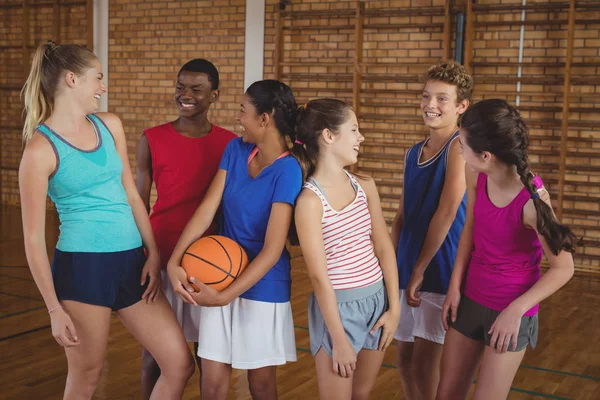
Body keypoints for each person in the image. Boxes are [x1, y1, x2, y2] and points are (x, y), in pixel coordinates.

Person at [19, 41, 193, 399]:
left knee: (179, 364)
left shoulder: (109, 125)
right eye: (97, 78)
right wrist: (53, 308)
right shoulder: (39, 151)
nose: (103, 86)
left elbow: (131, 194)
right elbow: (33, 240)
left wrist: (154, 253)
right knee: (86, 378)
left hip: (132, 263)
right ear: (71, 80)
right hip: (82, 271)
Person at [167, 80, 302, 400]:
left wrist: (224, 297)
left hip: (263, 285)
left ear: (265, 119)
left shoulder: (289, 169)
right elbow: (206, 210)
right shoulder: (236, 150)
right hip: (217, 275)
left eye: (244, 111)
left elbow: (271, 251)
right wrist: (175, 260)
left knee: (261, 386)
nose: (238, 117)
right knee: (211, 383)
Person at [436, 99, 576, 400]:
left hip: (511, 311)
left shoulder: (532, 201)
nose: (460, 150)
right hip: (470, 298)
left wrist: (516, 310)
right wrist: (455, 287)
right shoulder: (476, 173)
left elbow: (564, 268)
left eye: (463, 145)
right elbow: (470, 229)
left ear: (485, 155)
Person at [136, 58, 236, 399]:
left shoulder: (231, 144)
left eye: (196, 89)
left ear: (214, 95)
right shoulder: (151, 139)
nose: (186, 95)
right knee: (156, 356)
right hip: (160, 260)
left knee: (210, 359)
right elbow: (139, 203)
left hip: (209, 265)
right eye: (181, 87)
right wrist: (141, 255)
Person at [292, 98, 400, 400]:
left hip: (377, 301)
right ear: (328, 136)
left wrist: (394, 307)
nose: (360, 137)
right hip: (337, 312)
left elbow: (383, 247)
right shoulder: (310, 202)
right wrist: (338, 339)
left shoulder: (365, 185)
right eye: (354, 130)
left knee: (361, 393)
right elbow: (318, 277)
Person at [391, 60, 473, 400]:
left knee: (427, 365)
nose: (431, 105)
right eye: (426, 97)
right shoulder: (413, 152)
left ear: (461, 106)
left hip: (439, 268)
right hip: (410, 266)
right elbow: (402, 215)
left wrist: (420, 269)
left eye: (442, 99)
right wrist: (393, 268)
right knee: (405, 360)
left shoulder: (459, 147)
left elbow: (447, 211)